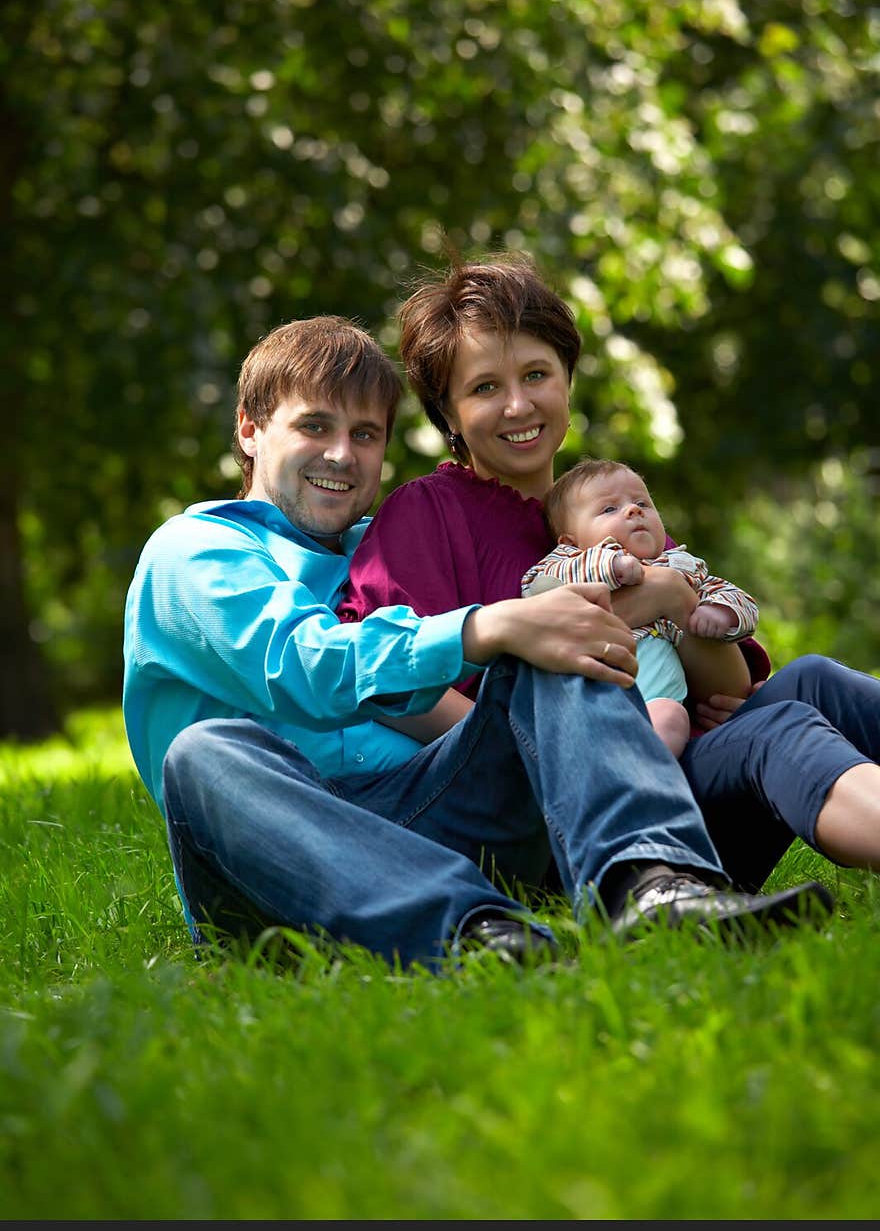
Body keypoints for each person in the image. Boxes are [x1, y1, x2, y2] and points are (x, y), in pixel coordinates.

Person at [122, 315, 831, 975]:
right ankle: (473, 931)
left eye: (367, 434)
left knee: (551, 633)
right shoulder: (196, 551)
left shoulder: (381, 549)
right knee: (205, 751)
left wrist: (598, 618)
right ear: (249, 429)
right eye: (315, 426)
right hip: (279, 860)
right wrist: (486, 626)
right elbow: (306, 666)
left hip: (432, 813)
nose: (343, 454)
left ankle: (652, 884)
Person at [341, 252, 880, 891]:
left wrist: (675, 599)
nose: (518, 405)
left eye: (536, 374)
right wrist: (536, 751)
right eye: (485, 388)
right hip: (557, 810)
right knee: (778, 729)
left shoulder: (609, 506)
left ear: (566, 380)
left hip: (668, 759)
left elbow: (725, 692)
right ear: (449, 416)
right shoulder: (427, 511)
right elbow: (380, 679)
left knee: (811, 681)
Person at [521, 458, 759, 757]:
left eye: (642, 503)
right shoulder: (569, 562)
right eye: (609, 509)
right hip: (591, 697)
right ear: (571, 541)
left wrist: (722, 612)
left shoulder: (682, 567)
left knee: (673, 719)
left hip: (657, 702)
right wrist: (612, 565)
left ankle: (643, 775)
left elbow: (733, 596)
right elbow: (538, 588)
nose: (633, 511)